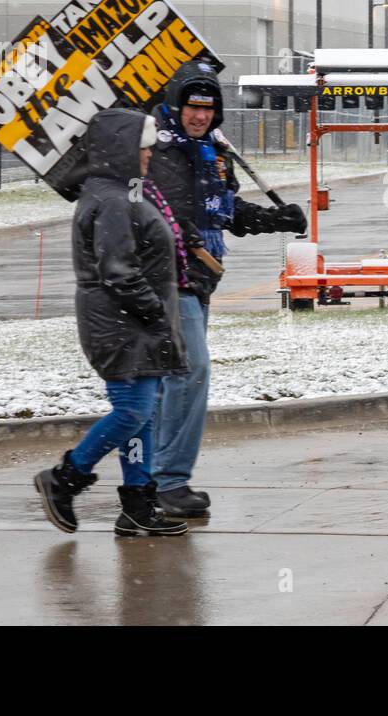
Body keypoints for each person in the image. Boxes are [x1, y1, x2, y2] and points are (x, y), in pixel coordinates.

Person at [147, 61, 306, 518]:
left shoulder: (212, 151)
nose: (199, 115)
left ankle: (129, 479)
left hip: (200, 278)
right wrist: (181, 236)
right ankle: (168, 482)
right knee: (189, 372)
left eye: (208, 108)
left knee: (161, 383)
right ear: (174, 105)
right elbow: (165, 209)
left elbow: (224, 209)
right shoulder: (157, 147)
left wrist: (273, 219)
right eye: (191, 107)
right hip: (168, 276)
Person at [34, 108, 190, 537]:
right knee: (132, 411)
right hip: (122, 322)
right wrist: (154, 310)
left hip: (136, 321)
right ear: (123, 148)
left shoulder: (123, 192)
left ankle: (138, 503)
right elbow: (118, 269)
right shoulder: (113, 200)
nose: (148, 155)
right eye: (143, 146)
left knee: (145, 415)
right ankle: (65, 477)